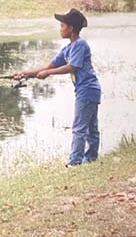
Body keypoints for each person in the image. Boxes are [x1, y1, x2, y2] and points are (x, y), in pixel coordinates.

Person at [14, 8, 102, 166]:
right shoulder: (67, 49)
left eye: (62, 25)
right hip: (87, 90)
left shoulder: (80, 44)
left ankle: (75, 163)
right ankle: (91, 158)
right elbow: (48, 66)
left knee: (80, 128)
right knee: (89, 127)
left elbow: (72, 67)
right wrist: (25, 73)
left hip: (88, 89)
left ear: (71, 28)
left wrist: (48, 73)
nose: (60, 28)